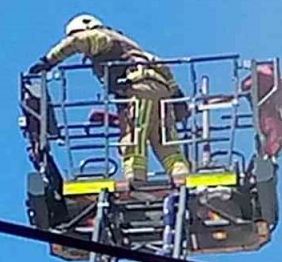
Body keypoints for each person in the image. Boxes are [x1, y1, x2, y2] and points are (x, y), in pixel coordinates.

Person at [29, 15, 191, 186]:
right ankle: (181, 176)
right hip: (161, 91)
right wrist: (177, 98)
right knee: (165, 142)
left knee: (133, 137)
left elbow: (78, 41)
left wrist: (47, 62)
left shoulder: (101, 37)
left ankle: (136, 179)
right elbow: (162, 66)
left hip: (137, 89)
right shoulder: (129, 45)